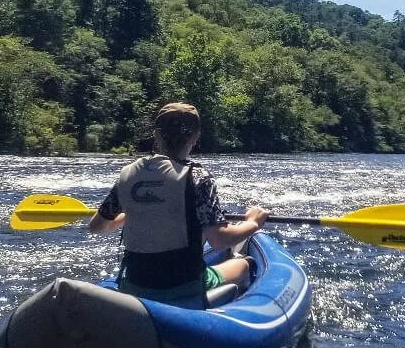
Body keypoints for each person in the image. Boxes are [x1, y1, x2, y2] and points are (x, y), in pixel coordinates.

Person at [88, 102, 270, 304]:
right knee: (243, 266)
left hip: (134, 284)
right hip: (184, 285)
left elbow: (97, 227)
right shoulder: (199, 177)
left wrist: (137, 211)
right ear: (194, 137)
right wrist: (253, 222)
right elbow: (218, 239)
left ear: (156, 135)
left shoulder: (129, 174)